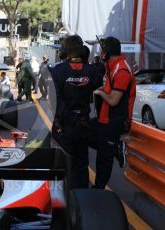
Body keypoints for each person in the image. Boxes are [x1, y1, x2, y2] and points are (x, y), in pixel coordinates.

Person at [51, 35, 101, 189]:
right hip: (84, 123)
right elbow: (99, 92)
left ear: (64, 50)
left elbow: (54, 101)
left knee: (66, 162)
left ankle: (68, 198)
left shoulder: (57, 70)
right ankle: (83, 195)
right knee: (82, 162)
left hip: (64, 125)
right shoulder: (92, 71)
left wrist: (71, 118)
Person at [92, 36, 136, 189]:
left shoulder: (122, 70)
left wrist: (99, 92)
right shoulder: (111, 66)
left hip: (113, 121)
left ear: (108, 52)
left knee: (104, 158)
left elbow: (113, 100)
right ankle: (114, 147)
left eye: (103, 50)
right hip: (104, 118)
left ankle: (99, 188)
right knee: (83, 133)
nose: (101, 52)